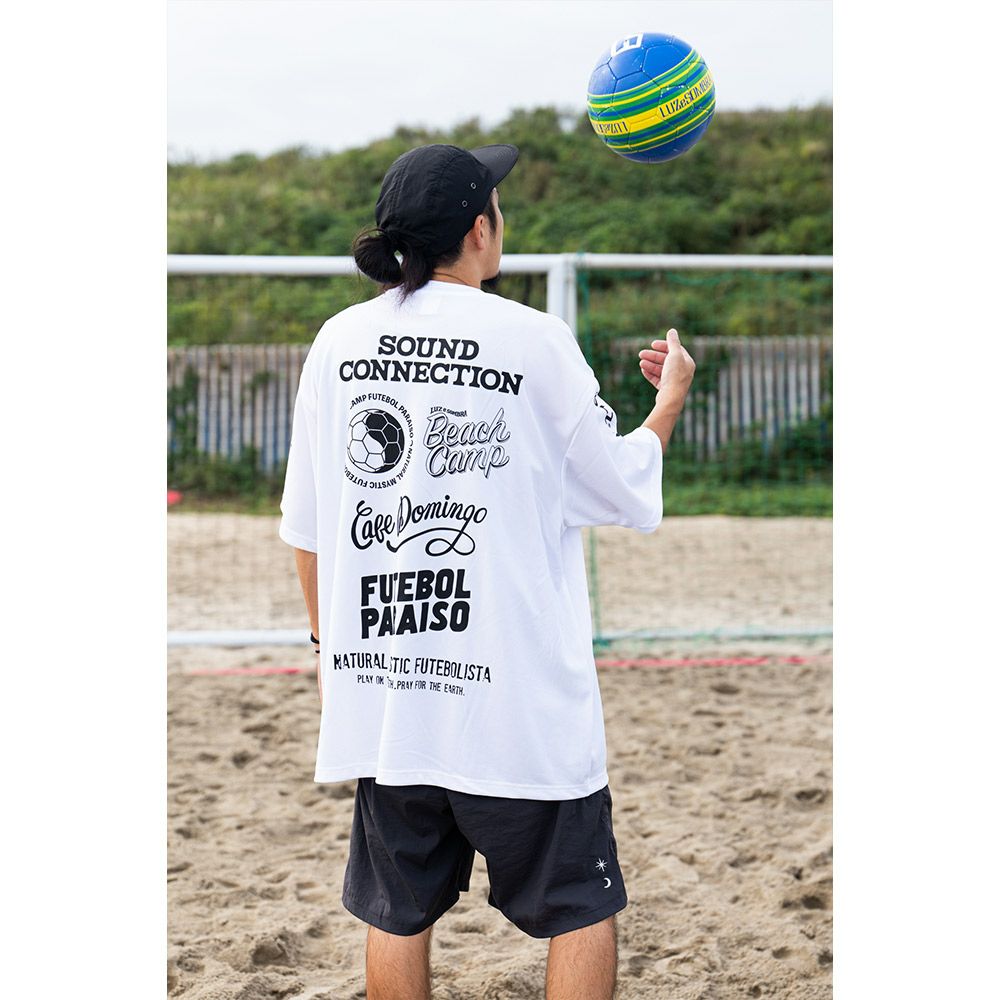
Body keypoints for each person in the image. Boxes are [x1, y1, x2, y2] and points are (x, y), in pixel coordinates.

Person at [278, 142, 695, 1000]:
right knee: (579, 907)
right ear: (479, 229)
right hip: (516, 702)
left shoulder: (339, 339)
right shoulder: (534, 338)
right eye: (498, 206)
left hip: (390, 687)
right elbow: (619, 487)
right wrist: (669, 403)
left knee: (397, 913)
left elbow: (307, 529)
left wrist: (329, 651)